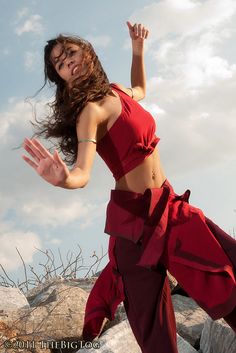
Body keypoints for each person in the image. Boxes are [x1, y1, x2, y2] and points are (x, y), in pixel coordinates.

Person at [22, 22, 236, 353]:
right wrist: (63, 179)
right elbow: (82, 172)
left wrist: (138, 51)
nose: (67, 62)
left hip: (168, 207)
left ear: (88, 52)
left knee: (223, 274)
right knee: (155, 331)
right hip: (134, 227)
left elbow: (141, 89)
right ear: (62, 77)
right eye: (59, 63)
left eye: (70, 52)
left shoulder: (118, 91)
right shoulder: (90, 113)